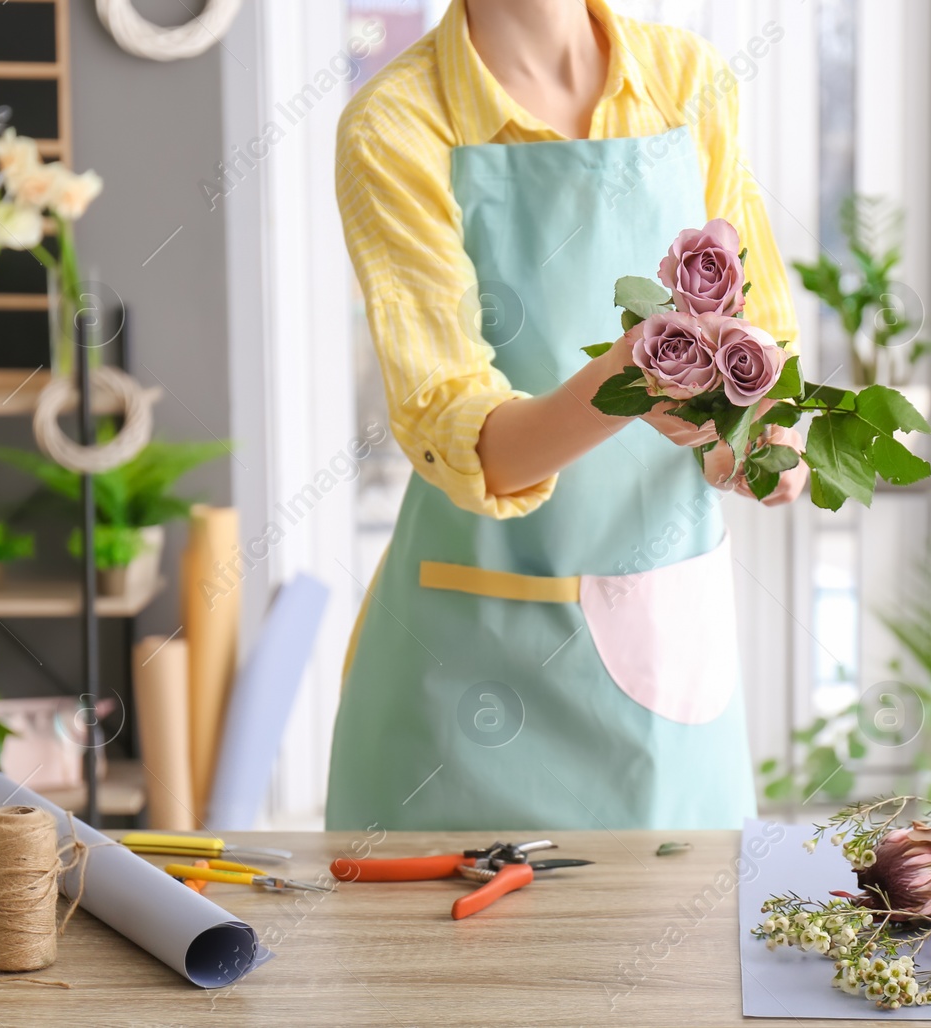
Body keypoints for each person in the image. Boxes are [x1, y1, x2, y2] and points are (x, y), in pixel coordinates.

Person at [326, 0, 806, 831]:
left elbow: (765, 337)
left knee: (680, 949)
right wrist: (630, 377)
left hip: (662, 639)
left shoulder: (687, 79)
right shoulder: (395, 124)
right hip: (469, 671)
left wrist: (752, 444)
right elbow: (465, 433)